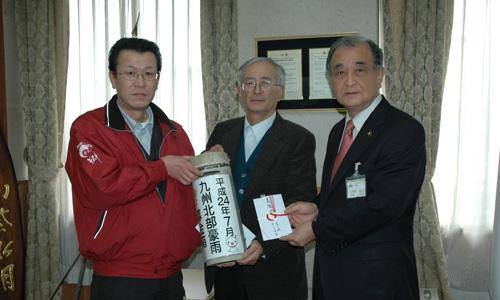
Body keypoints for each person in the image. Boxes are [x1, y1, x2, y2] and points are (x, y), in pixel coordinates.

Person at [281, 35, 426, 300]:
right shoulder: (340, 130)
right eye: (339, 72)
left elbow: (383, 205)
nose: (349, 80)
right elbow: (343, 193)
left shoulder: (403, 130)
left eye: (359, 70)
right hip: (332, 274)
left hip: (377, 280)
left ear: (379, 75)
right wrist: (316, 207)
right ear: (330, 80)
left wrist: (316, 229)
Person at [65, 37, 202, 300]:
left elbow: (189, 194)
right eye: (130, 73)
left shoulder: (175, 132)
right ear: (113, 78)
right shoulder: (89, 128)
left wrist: (210, 165)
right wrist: (161, 168)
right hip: (120, 278)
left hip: (172, 274)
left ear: (157, 79)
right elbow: (103, 187)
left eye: (149, 73)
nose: (141, 82)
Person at [204, 57, 317, 300]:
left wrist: (264, 245)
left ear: (281, 91)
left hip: (275, 270)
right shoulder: (223, 132)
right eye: (248, 83)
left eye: (265, 83)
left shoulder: (298, 139)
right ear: (237, 90)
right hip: (227, 267)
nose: (256, 90)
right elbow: (209, 193)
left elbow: (300, 202)